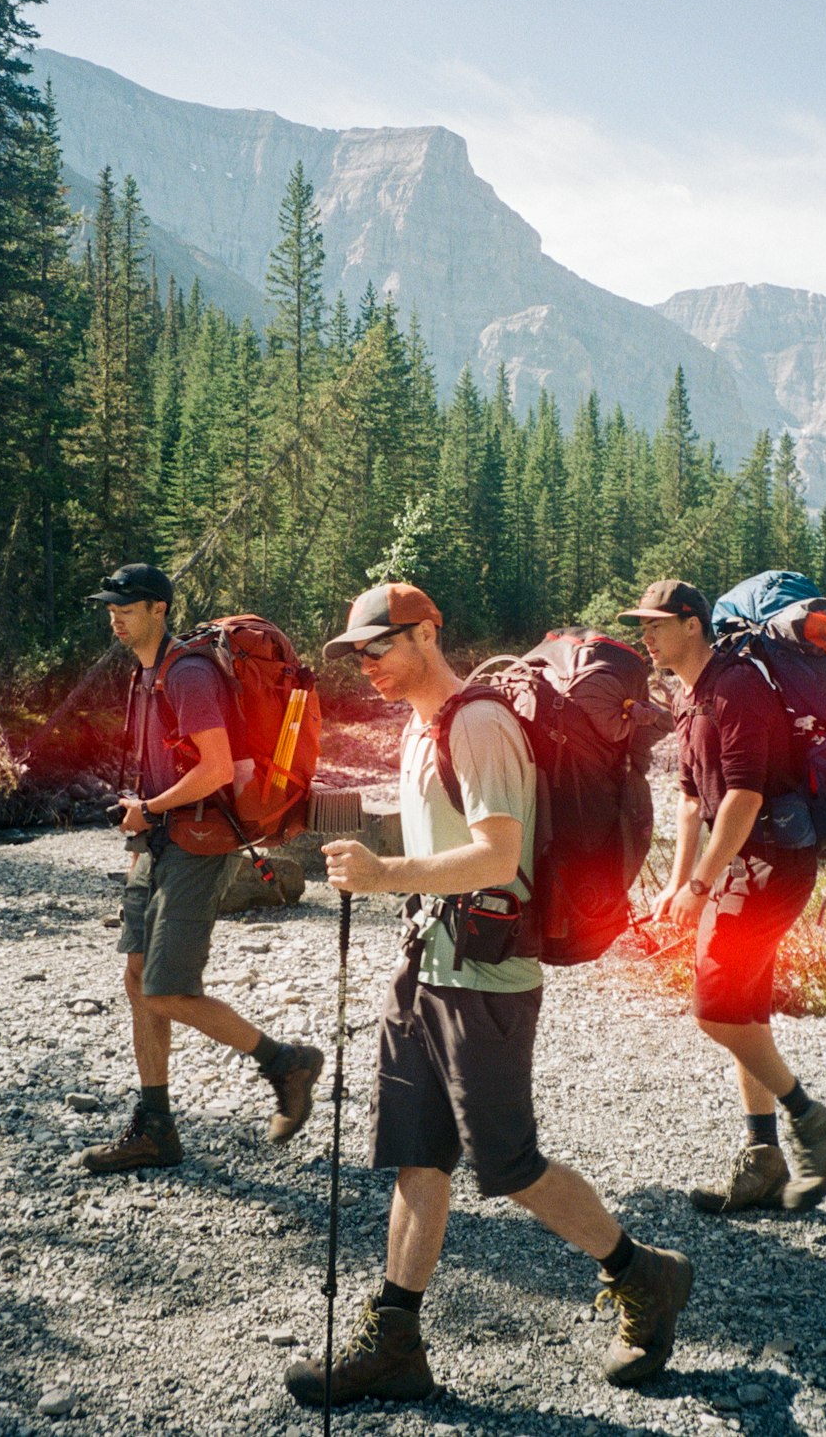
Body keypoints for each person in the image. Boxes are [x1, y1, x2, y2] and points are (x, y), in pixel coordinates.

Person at [284, 582, 692, 1408]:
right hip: (426, 965)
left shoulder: (477, 725)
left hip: (488, 977)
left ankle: (644, 1274)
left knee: (508, 1165)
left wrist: (383, 873)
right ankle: (396, 1340)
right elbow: (435, 841)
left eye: (380, 647)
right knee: (417, 1155)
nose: (368, 667)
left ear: (429, 632)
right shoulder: (418, 727)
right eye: (356, 655)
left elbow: (498, 858)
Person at [619, 579, 826, 1215]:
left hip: (773, 864)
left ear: (693, 624)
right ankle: (762, 1159)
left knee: (715, 1009)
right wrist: (677, 880)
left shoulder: (738, 686)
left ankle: (815, 1121)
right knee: (744, 1010)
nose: (647, 635)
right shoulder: (692, 694)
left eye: (656, 624)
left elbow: (745, 796)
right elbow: (694, 797)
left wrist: (701, 883)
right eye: (642, 625)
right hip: (742, 864)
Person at [79, 563, 323, 1173]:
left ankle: (284, 1061)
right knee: (138, 979)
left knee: (168, 990)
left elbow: (215, 768)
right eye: (110, 607)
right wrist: (147, 818)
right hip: (159, 840)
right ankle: (156, 1128)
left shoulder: (185, 675)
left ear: (158, 610)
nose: (115, 616)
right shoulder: (147, 674)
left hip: (196, 842)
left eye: (126, 607)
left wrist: (149, 811)